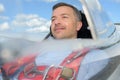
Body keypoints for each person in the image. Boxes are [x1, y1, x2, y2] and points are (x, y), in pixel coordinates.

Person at [0, 2, 109, 80]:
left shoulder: (94, 56)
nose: (56, 22)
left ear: (78, 25)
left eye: (64, 17)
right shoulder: (36, 49)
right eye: (53, 19)